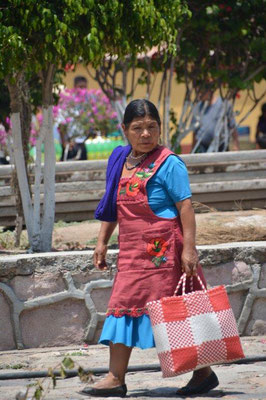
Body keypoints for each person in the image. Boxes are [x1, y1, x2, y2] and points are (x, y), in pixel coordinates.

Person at [80, 99, 219, 397]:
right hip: (131, 252)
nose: (145, 134)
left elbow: (186, 208)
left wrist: (189, 250)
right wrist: (102, 242)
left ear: (159, 129)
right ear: (124, 131)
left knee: (173, 313)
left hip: (165, 253)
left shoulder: (169, 162)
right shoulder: (119, 161)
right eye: (138, 128)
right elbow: (112, 207)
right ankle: (116, 379)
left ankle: (203, 374)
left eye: (152, 127)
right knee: (121, 307)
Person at [59, 76, 89, 161]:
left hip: (82, 144)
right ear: (75, 87)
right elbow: (61, 125)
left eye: (84, 87)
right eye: (80, 87)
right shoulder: (69, 103)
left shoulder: (87, 104)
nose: (83, 90)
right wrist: (65, 143)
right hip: (70, 145)